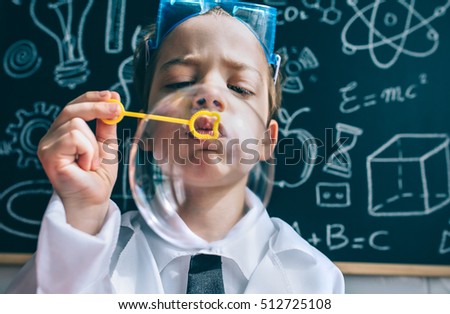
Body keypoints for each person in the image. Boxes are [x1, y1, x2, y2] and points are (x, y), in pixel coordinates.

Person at [7, 0, 344, 293]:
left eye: (239, 88)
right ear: (147, 131)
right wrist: (80, 212)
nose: (209, 96)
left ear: (267, 141)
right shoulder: (82, 246)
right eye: (181, 82)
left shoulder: (315, 277)